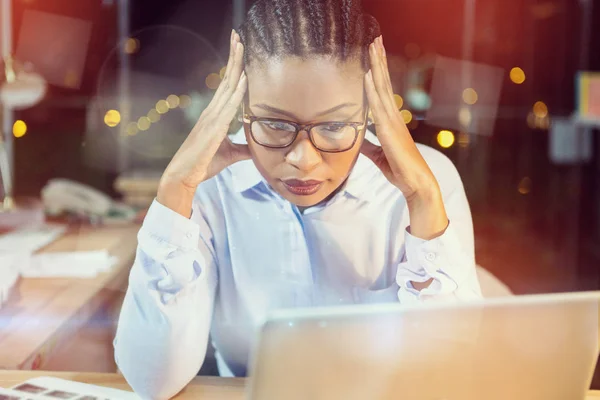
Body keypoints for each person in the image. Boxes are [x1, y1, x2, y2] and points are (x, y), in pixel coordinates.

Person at [114, 0, 482, 398]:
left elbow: (453, 379)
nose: (303, 160)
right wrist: (175, 192)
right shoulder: (209, 187)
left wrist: (422, 200)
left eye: (336, 125)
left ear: (370, 111)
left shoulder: (427, 180)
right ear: (241, 108)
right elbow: (152, 382)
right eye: (274, 123)